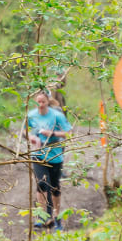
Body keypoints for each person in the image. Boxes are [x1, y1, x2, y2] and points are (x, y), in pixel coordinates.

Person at [23, 89, 71, 230]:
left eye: (43, 102)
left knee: (54, 188)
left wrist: (52, 133)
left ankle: (56, 217)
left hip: (55, 155)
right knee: (42, 184)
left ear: (48, 101)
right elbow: (25, 131)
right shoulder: (31, 115)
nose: (41, 104)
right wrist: (31, 137)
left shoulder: (57, 116)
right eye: (38, 102)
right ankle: (42, 217)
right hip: (38, 154)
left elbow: (68, 133)